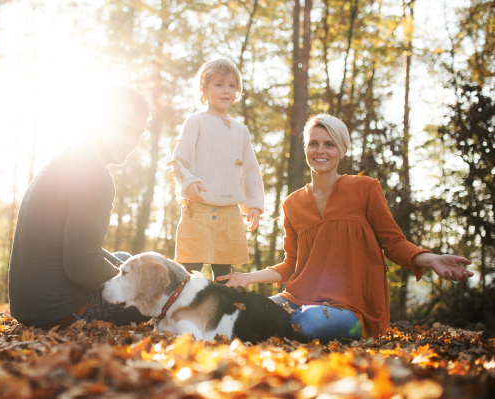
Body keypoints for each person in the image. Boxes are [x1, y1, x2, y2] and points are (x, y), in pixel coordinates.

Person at [217, 114, 474, 341]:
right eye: (314, 143)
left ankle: (278, 326)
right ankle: (272, 324)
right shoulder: (292, 203)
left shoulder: (365, 189)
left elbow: (393, 243)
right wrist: (247, 277)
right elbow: (292, 265)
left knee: (309, 322)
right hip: (295, 299)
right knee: (243, 312)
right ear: (305, 147)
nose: (321, 150)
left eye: (330, 144)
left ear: (343, 150)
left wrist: (431, 260)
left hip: (353, 309)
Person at [8, 85, 152, 330]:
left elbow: (83, 250)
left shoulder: (70, 159)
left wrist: (128, 272)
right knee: (150, 292)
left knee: (128, 261)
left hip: (29, 306)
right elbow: (82, 266)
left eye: (137, 134)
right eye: (125, 129)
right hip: (61, 310)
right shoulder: (94, 174)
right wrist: (144, 290)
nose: (131, 142)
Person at [169, 59, 265, 282]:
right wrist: (189, 182)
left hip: (229, 213)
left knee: (225, 278)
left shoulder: (241, 131)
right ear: (204, 89)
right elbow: (179, 160)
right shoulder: (196, 122)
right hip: (199, 209)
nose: (226, 91)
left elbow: (250, 170)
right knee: (187, 274)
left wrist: (254, 204)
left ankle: (227, 314)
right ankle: (178, 313)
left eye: (232, 85)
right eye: (219, 84)